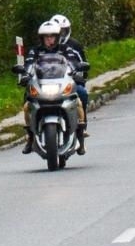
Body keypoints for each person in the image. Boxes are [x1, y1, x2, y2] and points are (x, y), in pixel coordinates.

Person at [20, 18, 89, 155]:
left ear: (57, 37)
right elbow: (28, 63)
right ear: (42, 38)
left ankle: (80, 135)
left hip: (61, 84)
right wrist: (25, 74)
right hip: (42, 85)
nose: (49, 40)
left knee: (79, 100)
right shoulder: (35, 51)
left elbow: (73, 62)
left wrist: (77, 72)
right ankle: (30, 136)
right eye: (46, 37)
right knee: (27, 104)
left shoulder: (65, 49)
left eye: (52, 37)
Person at [50, 13, 91, 141]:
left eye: (64, 31)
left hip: (69, 82)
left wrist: (80, 77)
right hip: (49, 83)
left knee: (82, 93)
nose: (61, 34)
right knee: (29, 96)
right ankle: (31, 130)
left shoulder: (75, 45)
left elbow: (82, 63)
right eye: (58, 31)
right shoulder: (45, 46)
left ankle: (82, 126)